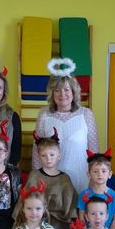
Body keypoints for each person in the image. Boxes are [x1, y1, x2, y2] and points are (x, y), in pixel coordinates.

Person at [33, 58, 98, 193]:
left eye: (67, 90)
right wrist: (37, 177)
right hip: (50, 179)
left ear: (74, 92)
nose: (62, 94)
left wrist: (94, 179)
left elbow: (94, 149)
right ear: (52, 93)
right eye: (57, 90)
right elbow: (36, 149)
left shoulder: (86, 114)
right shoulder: (44, 114)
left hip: (81, 177)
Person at [14, 130, 77, 229]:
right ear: (39, 157)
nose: (48, 159)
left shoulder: (65, 179)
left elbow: (71, 207)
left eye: (52, 155)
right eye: (44, 155)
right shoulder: (34, 175)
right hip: (35, 220)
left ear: (59, 156)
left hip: (58, 225)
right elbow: (23, 201)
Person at [76, 151, 115, 229]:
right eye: (95, 171)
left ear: (110, 174)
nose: (100, 174)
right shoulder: (83, 194)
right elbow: (81, 217)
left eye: (103, 171)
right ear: (89, 174)